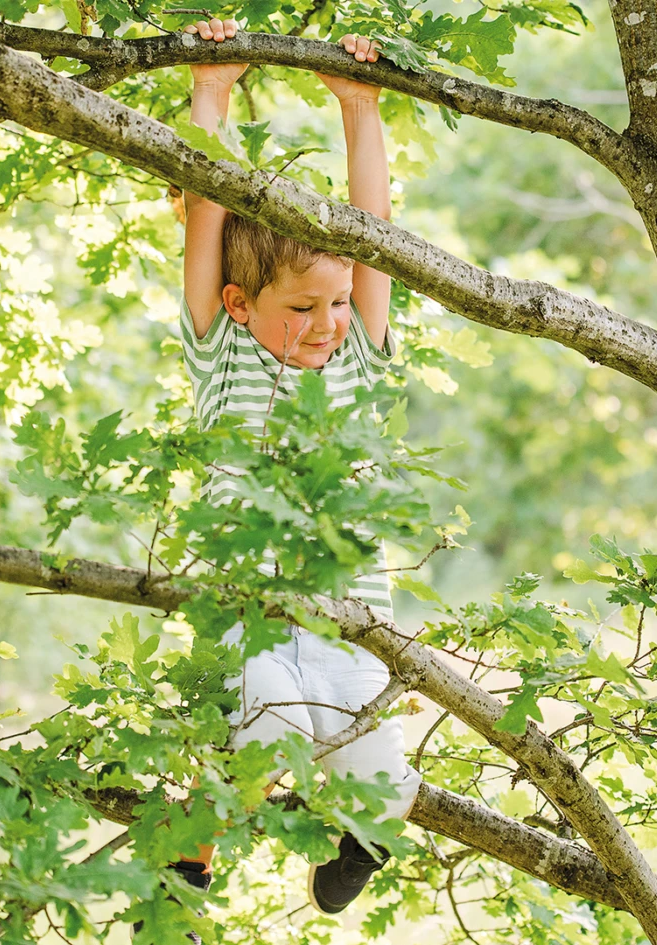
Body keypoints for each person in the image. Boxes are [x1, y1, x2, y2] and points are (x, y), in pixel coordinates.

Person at [163, 16, 423, 922]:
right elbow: (205, 204)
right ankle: (190, 859)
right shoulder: (220, 354)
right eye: (303, 305)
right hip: (250, 618)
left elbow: (375, 228)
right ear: (240, 303)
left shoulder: (359, 360)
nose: (326, 323)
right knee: (266, 724)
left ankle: (350, 834)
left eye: (340, 302)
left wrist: (359, 106)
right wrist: (213, 91)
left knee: (393, 792)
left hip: (353, 623)